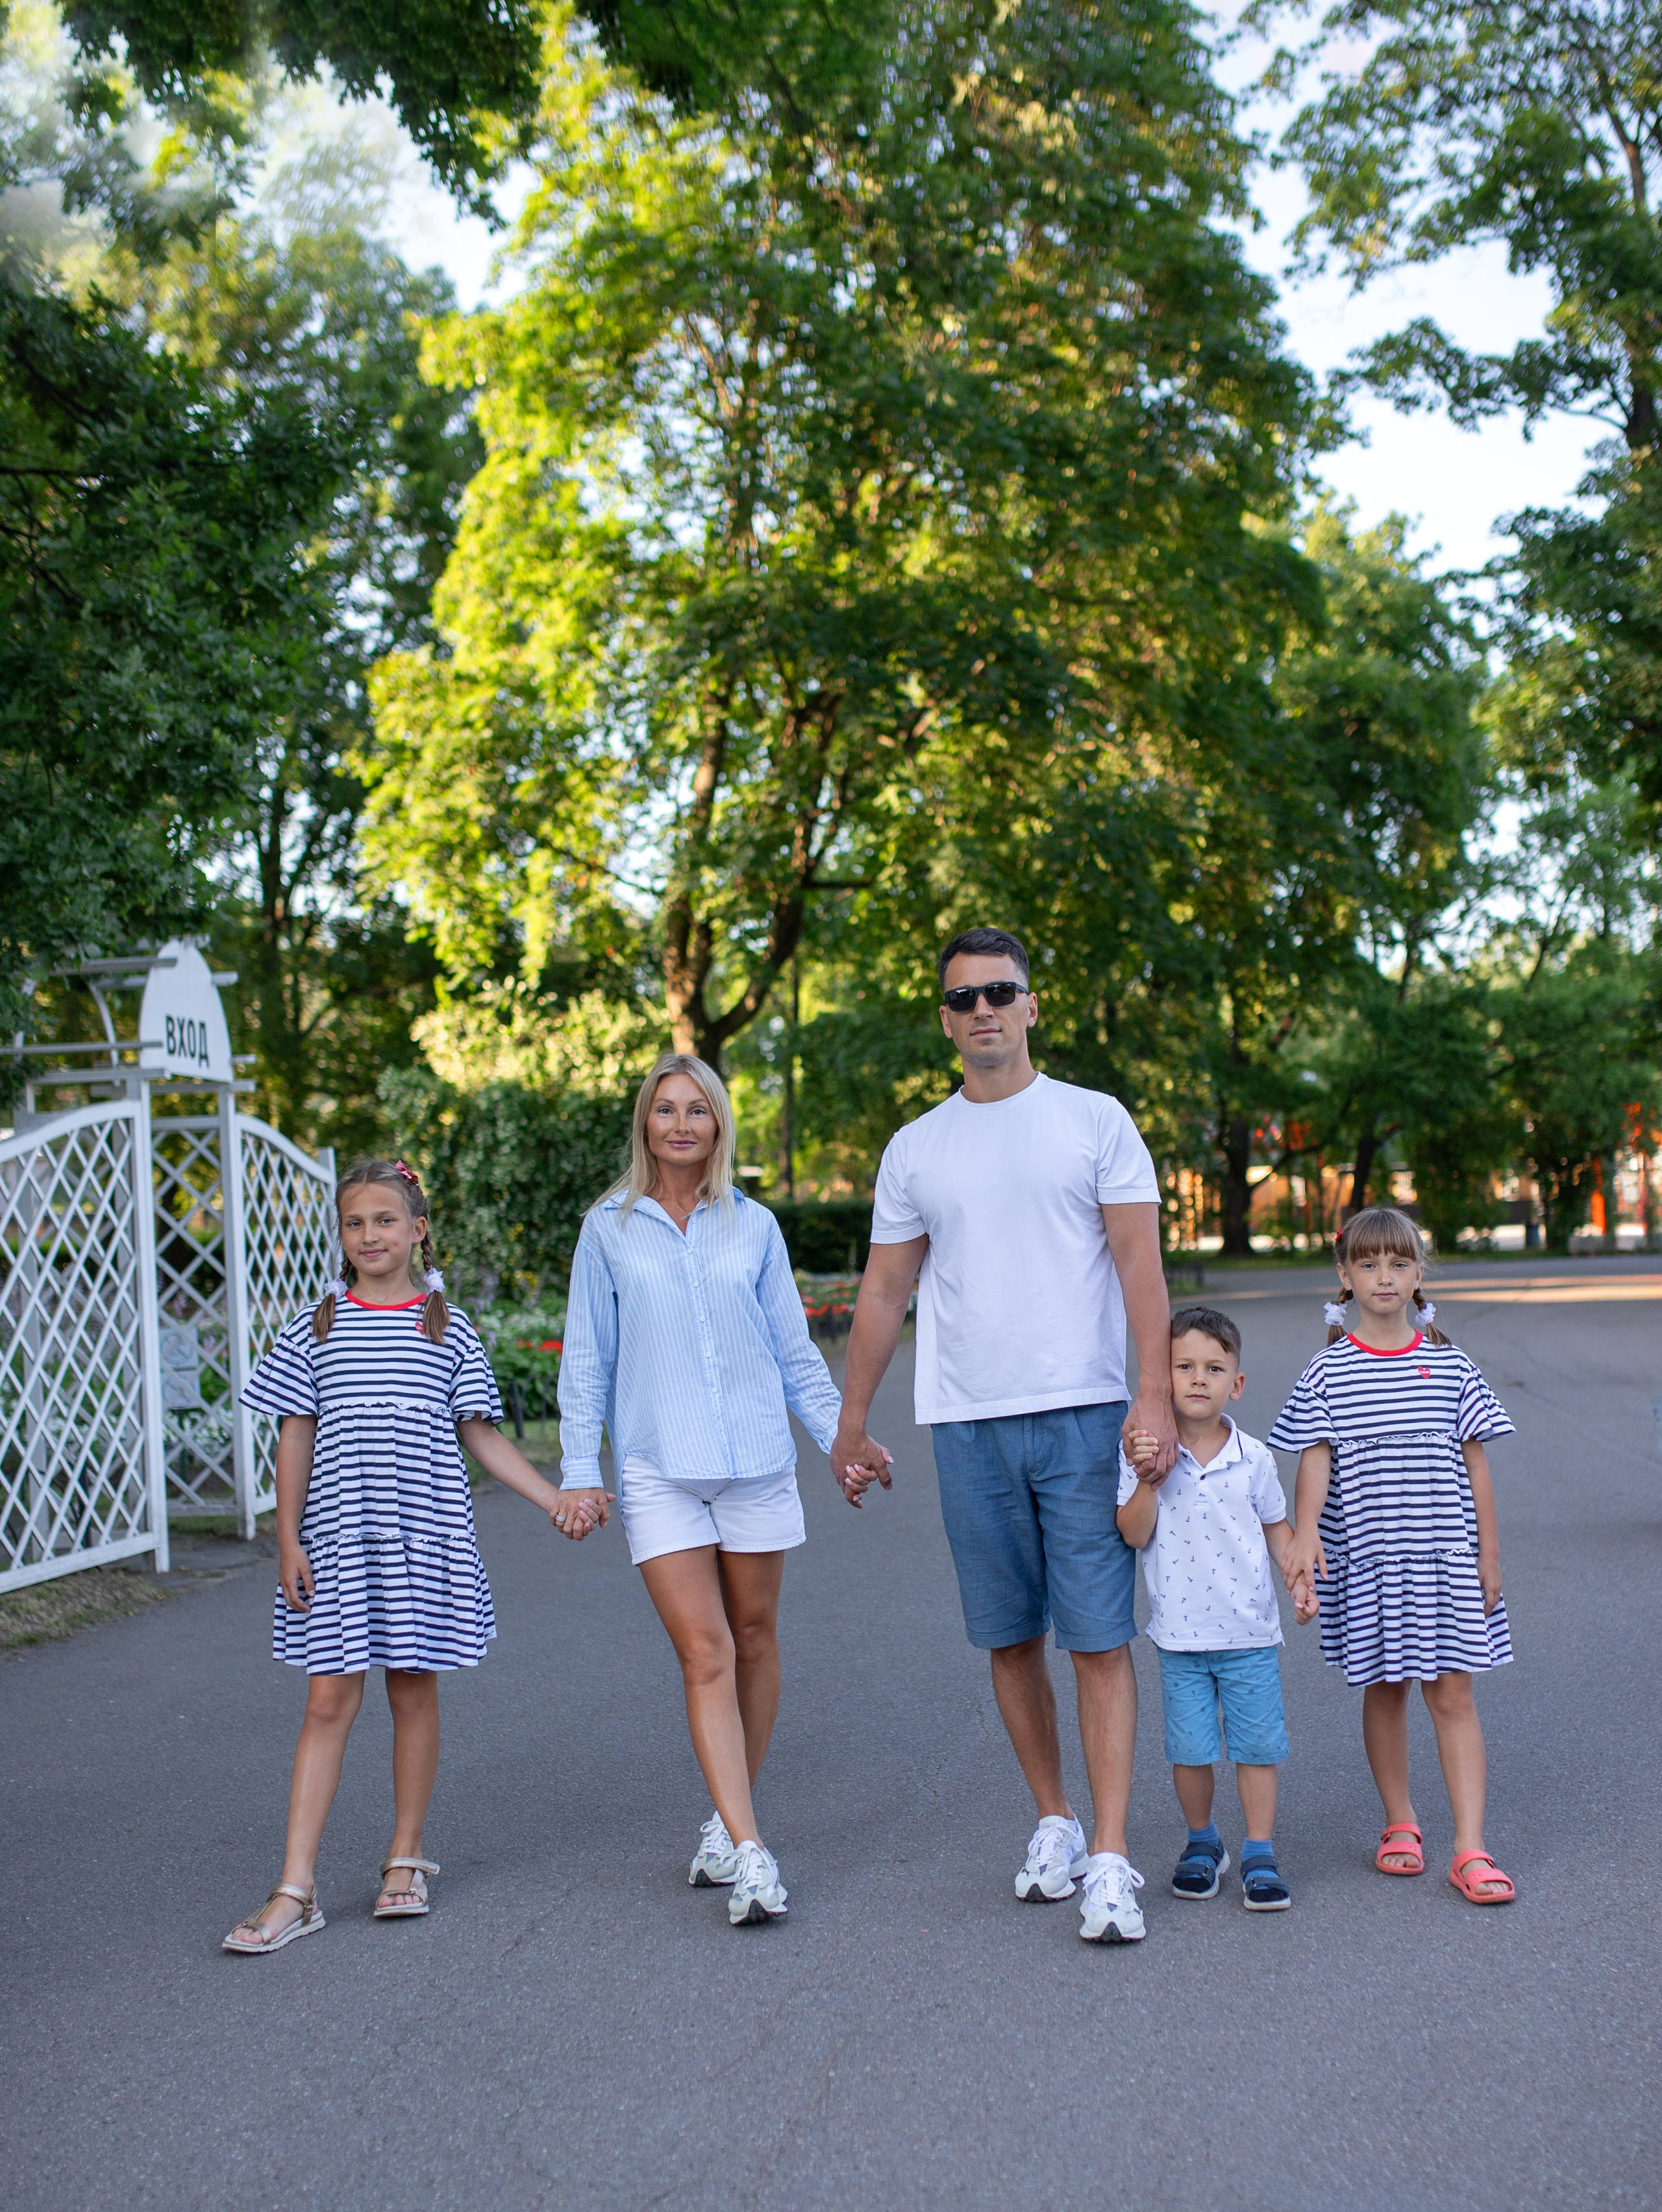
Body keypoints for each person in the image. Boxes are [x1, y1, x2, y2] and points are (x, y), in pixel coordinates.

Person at [835, 927, 1178, 1945]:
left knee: (1100, 1635)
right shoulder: (916, 1147)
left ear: (1033, 1004)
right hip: (967, 1423)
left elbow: (1140, 1266)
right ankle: (1057, 1820)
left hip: (1081, 1413)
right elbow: (886, 1287)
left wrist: (1151, 1397)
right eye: (964, 997)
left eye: (1001, 991)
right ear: (945, 1019)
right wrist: (851, 1419)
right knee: (1008, 1633)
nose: (983, 1008)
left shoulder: (1094, 1120)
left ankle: (1113, 1856)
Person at [557, 1052, 880, 1927]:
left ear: (719, 1122)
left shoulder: (754, 1225)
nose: (682, 1123)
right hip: (659, 1466)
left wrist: (840, 1441)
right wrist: (581, 1467)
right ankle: (751, 1849)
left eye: (698, 1108)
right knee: (706, 1651)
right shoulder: (609, 1228)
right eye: (666, 1108)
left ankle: (723, 1817)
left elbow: (792, 1353)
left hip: (757, 1464)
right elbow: (587, 1358)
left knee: (755, 1635)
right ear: (645, 1122)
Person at [223, 1159, 573, 1955]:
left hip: (423, 1536)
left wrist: (551, 1496)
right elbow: (295, 1435)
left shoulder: (445, 1327)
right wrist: (287, 1540)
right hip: (339, 1540)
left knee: (413, 1690)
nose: (369, 1235)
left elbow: (478, 1432)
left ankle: (404, 1856)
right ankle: (295, 1887)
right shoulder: (316, 1323)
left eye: (385, 1220)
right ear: (341, 1236)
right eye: (355, 1223)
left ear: (417, 1230)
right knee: (327, 1701)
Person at [1274, 1206, 1518, 1905]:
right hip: (1374, 1562)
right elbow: (1313, 1461)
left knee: (1453, 1691)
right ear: (1344, 1275)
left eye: (1400, 1262)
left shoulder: (1448, 1365)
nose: (1385, 1276)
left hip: (1444, 1559)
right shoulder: (1328, 1370)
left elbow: (1476, 1468)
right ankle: (1400, 1822)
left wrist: (1489, 1554)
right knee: (1386, 1687)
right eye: (1369, 1263)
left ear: (1419, 1275)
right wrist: (1305, 1531)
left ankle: (1470, 1845)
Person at [1119, 1306, 1315, 1913]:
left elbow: (1278, 1528)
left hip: (1249, 1633)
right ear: (1161, 1376)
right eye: (1183, 1366)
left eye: (1213, 1367)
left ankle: (1259, 1849)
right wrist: (1149, 1475)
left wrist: (1297, 1580)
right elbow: (1131, 1532)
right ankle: (1203, 1841)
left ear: (1237, 1382)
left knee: (1256, 1746)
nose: (1198, 1379)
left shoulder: (1253, 1458)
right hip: (1179, 1636)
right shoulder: (1141, 1453)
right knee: (1190, 1749)